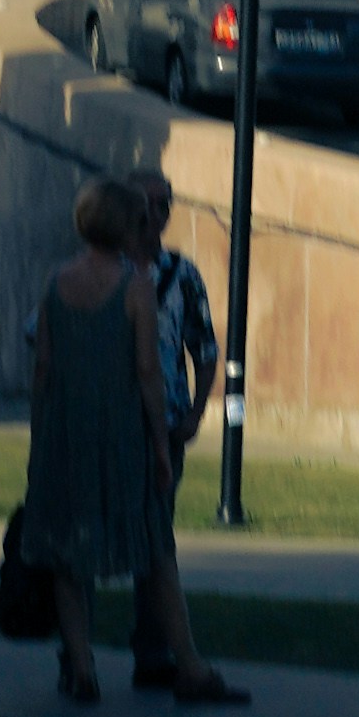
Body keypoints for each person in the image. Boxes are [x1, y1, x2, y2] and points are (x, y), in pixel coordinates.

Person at [19, 174, 244, 707]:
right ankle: (187, 665)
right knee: (155, 548)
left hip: (66, 437)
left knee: (70, 553)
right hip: (127, 440)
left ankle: (82, 667)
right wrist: (161, 447)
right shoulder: (135, 288)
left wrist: (42, 437)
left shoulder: (56, 284)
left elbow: (43, 366)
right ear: (124, 226)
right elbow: (147, 373)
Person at [130, 169, 220, 690]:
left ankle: (154, 653)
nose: (157, 213)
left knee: (156, 536)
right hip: (114, 426)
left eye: (165, 203)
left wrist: (193, 415)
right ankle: (77, 655)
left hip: (166, 426)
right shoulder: (102, 272)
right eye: (146, 203)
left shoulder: (180, 274)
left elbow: (204, 347)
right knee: (100, 540)